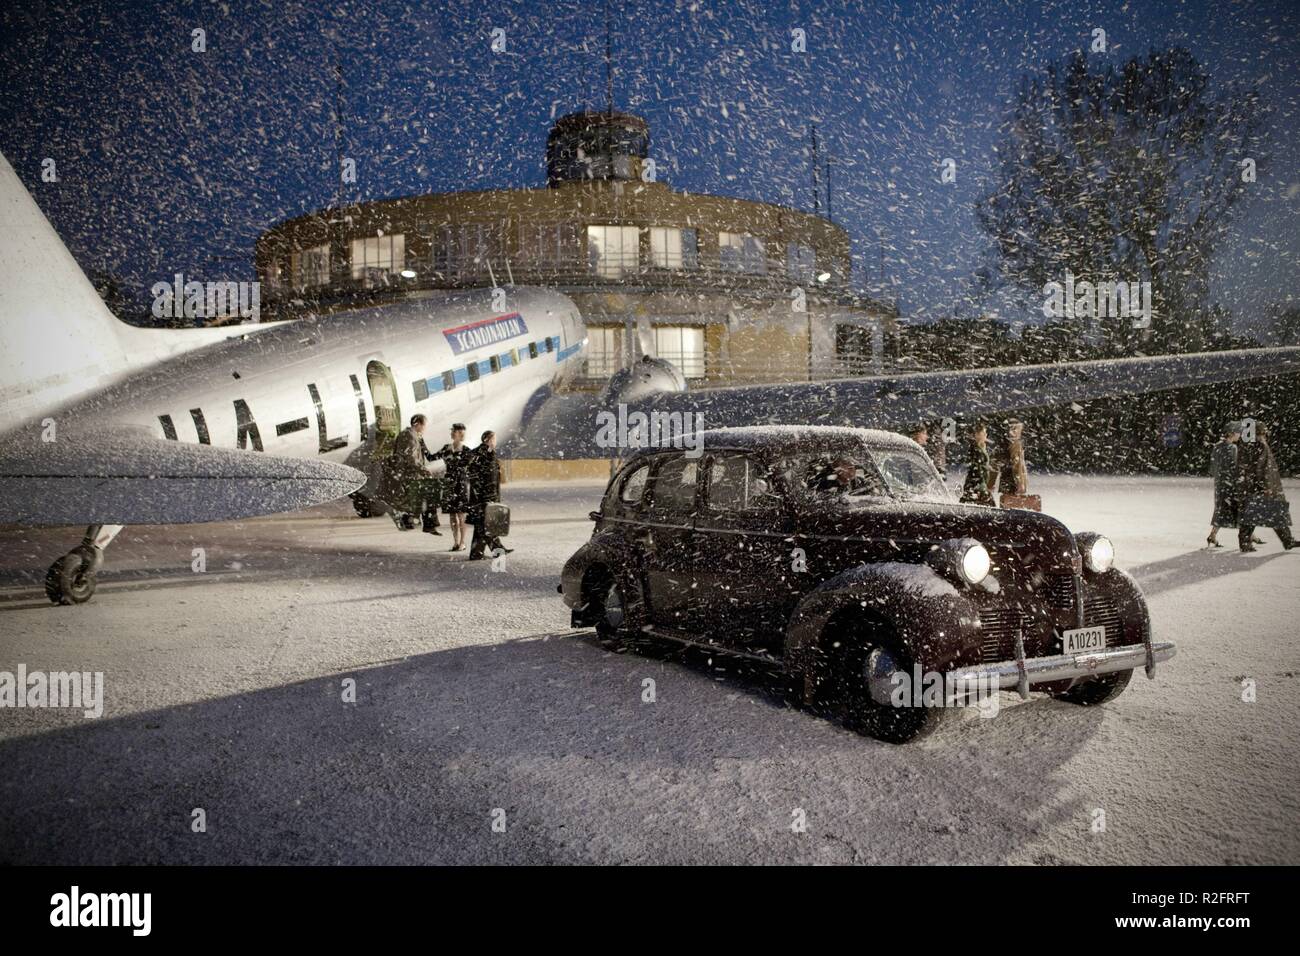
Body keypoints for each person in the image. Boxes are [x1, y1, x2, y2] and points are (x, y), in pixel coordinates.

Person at [1237, 423, 1296, 553]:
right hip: (1264, 486)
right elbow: (1261, 467)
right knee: (1263, 513)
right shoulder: (1260, 444)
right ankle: (1286, 540)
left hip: (1258, 485)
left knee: (1267, 512)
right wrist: (1265, 486)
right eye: (1264, 431)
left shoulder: (1252, 445)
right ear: (1261, 432)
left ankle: (1287, 540)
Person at [380, 413, 442, 534]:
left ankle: (414, 521)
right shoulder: (410, 436)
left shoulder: (409, 435)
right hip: (410, 474)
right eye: (424, 426)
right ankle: (422, 523)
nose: (425, 429)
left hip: (408, 474)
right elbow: (411, 458)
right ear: (418, 424)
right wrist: (424, 470)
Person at [467, 430, 512, 560]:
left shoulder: (477, 453)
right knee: (486, 524)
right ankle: (497, 550)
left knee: (481, 525)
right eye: (494, 439)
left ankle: (477, 552)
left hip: (480, 495)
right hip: (486, 495)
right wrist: (491, 498)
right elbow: (489, 478)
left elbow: (475, 474)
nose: (495, 442)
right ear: (488, 439)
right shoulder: (486, 454)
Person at [431, 423, 473, 552]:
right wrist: (420, 442)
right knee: (452, 515)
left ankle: (462, 542)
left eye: (454, 431)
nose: (452, 433)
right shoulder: (446, 448)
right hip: (449, 483)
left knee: (461, 515)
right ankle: (455, 542)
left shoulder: (466, 450)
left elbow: (470, 467)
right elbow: (431, 457)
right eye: (453, 431)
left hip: (460, 483)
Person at [1207, 423, 1241, 548]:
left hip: (1220, 483)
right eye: (1238, 432)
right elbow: (1234, 467)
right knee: (1238, 509)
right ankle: (1248, 536)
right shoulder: (1232, 448)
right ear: (1232, 433)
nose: (1240, 435)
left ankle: (1213, 535)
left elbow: (1212, 467)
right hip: (1230, 483)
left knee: (1221, 509)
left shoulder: (1217, 447)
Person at [960, 421, 995, 506]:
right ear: (977, 435)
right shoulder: (976, 449)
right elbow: (977, 469)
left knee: (972, 503)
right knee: (988, 504)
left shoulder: (981, 447)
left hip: (978, 482)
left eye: (985, 432)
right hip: (977, 483)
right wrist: (982, 486)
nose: (985, 435)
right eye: (984, 432)